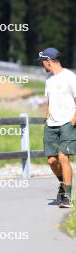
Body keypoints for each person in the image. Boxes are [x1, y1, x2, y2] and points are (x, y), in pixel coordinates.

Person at [37, 47, 76, 208]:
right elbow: (48, 101)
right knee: (52, 160)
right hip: (51, 125)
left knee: (62, 157)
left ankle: (67, 196)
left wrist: (73, 121)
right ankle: (62, 183)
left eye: (42, 62)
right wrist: (47, 118)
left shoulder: (70, 77)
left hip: (67, 123)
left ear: (48, 61)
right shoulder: (49, 80)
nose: (42, 66)